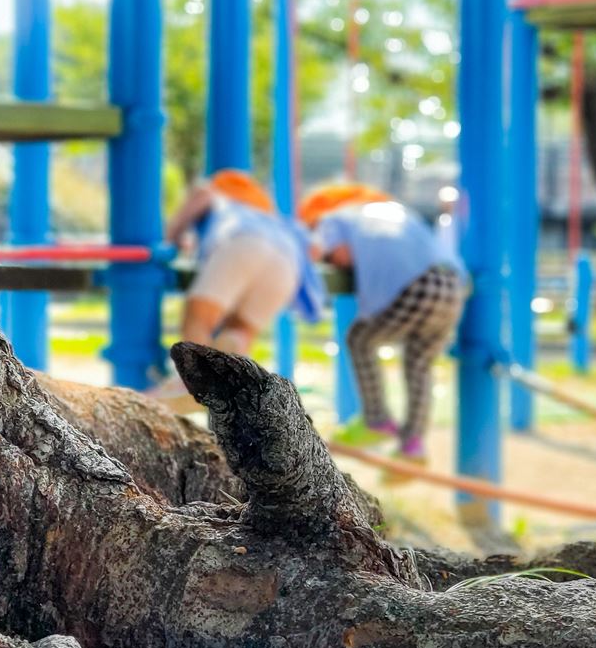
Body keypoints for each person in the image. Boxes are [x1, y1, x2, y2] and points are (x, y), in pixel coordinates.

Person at [302, 183, 469, 462]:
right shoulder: (396, 211)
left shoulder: (334, 219)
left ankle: (377, 419)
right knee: (418, 365)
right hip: (452, 286)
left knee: (360, 338)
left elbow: (326, 251)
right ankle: (412, 444)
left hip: (418, 285)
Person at [152, 170, 323, 396]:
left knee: (200, 317)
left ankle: (190, 382)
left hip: (244, 241)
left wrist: (171, 237)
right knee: (240, 329)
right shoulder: (267, 212)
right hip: (288, 261)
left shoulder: (219, 193)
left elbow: (200, 197)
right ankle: (228, 374)